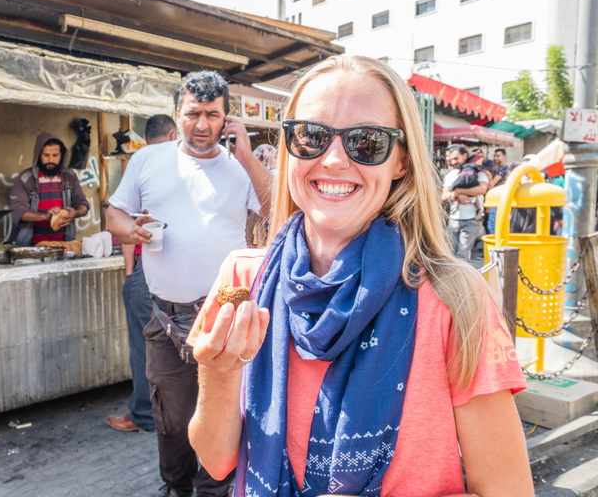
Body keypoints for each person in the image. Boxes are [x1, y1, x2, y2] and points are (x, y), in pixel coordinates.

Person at [187, 55, 533, 497]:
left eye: (366, 142)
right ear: (288, 148)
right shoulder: (242, 278)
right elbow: (216, 461)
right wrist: (216, 375)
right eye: (310, 136)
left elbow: (509, 490)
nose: (332, 160)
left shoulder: (455, 299)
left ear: (402, 161)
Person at [107, 70, 272, 497]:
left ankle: (213, 491)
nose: (202, 125)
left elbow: (280, 212)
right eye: (193, 113)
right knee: (172, 418)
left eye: (213, 115)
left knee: (225, 413)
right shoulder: (148, 159)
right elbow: (115, 216)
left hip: (226, 316)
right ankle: (176, 488)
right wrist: (132, 230)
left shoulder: (240, 167)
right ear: (176, 114)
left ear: (228, 120)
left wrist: (250, 158)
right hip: (166, 319)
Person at [107, 114, 177, 433]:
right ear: (174, 134)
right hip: (186, 275)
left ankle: (144, 414)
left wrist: (130, 272)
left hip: (149, 270)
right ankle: (177, 415)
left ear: (146, 140)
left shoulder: (141, 162)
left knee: (144, 346)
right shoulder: (188, 165)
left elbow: (122, 223)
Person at [9, 133, 90, 246]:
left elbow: (83, 204)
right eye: (46, 155)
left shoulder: (70, 176)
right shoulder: (26, 178)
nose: (51, 160)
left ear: (61, 156)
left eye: (55, 155)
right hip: (32, 246)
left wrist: (75, 213)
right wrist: (44, 216)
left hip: (63, 246)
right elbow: (18, 211)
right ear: (38, 155)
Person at [442, 144, 489, 260]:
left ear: (465, 156)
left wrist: (458, 191)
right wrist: (456, 196)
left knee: (462, 255)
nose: (453, 161)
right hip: (454, 219)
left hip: (472, 220)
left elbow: (482, 189)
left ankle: (461, 278)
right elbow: (444, 195)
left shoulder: (478, 172)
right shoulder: (451, 174)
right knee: (449, 254)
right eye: (452, 159)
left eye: (456, 158)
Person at [487, 148, 511, 234]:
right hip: (497, 198)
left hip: (499, 198)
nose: (496, 158)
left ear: (504, 156)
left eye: (498, 156)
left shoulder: (504, 168)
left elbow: (492, 184)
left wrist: (489, 173)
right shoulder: (497, 168)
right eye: (495, 156)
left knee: (493, 223)